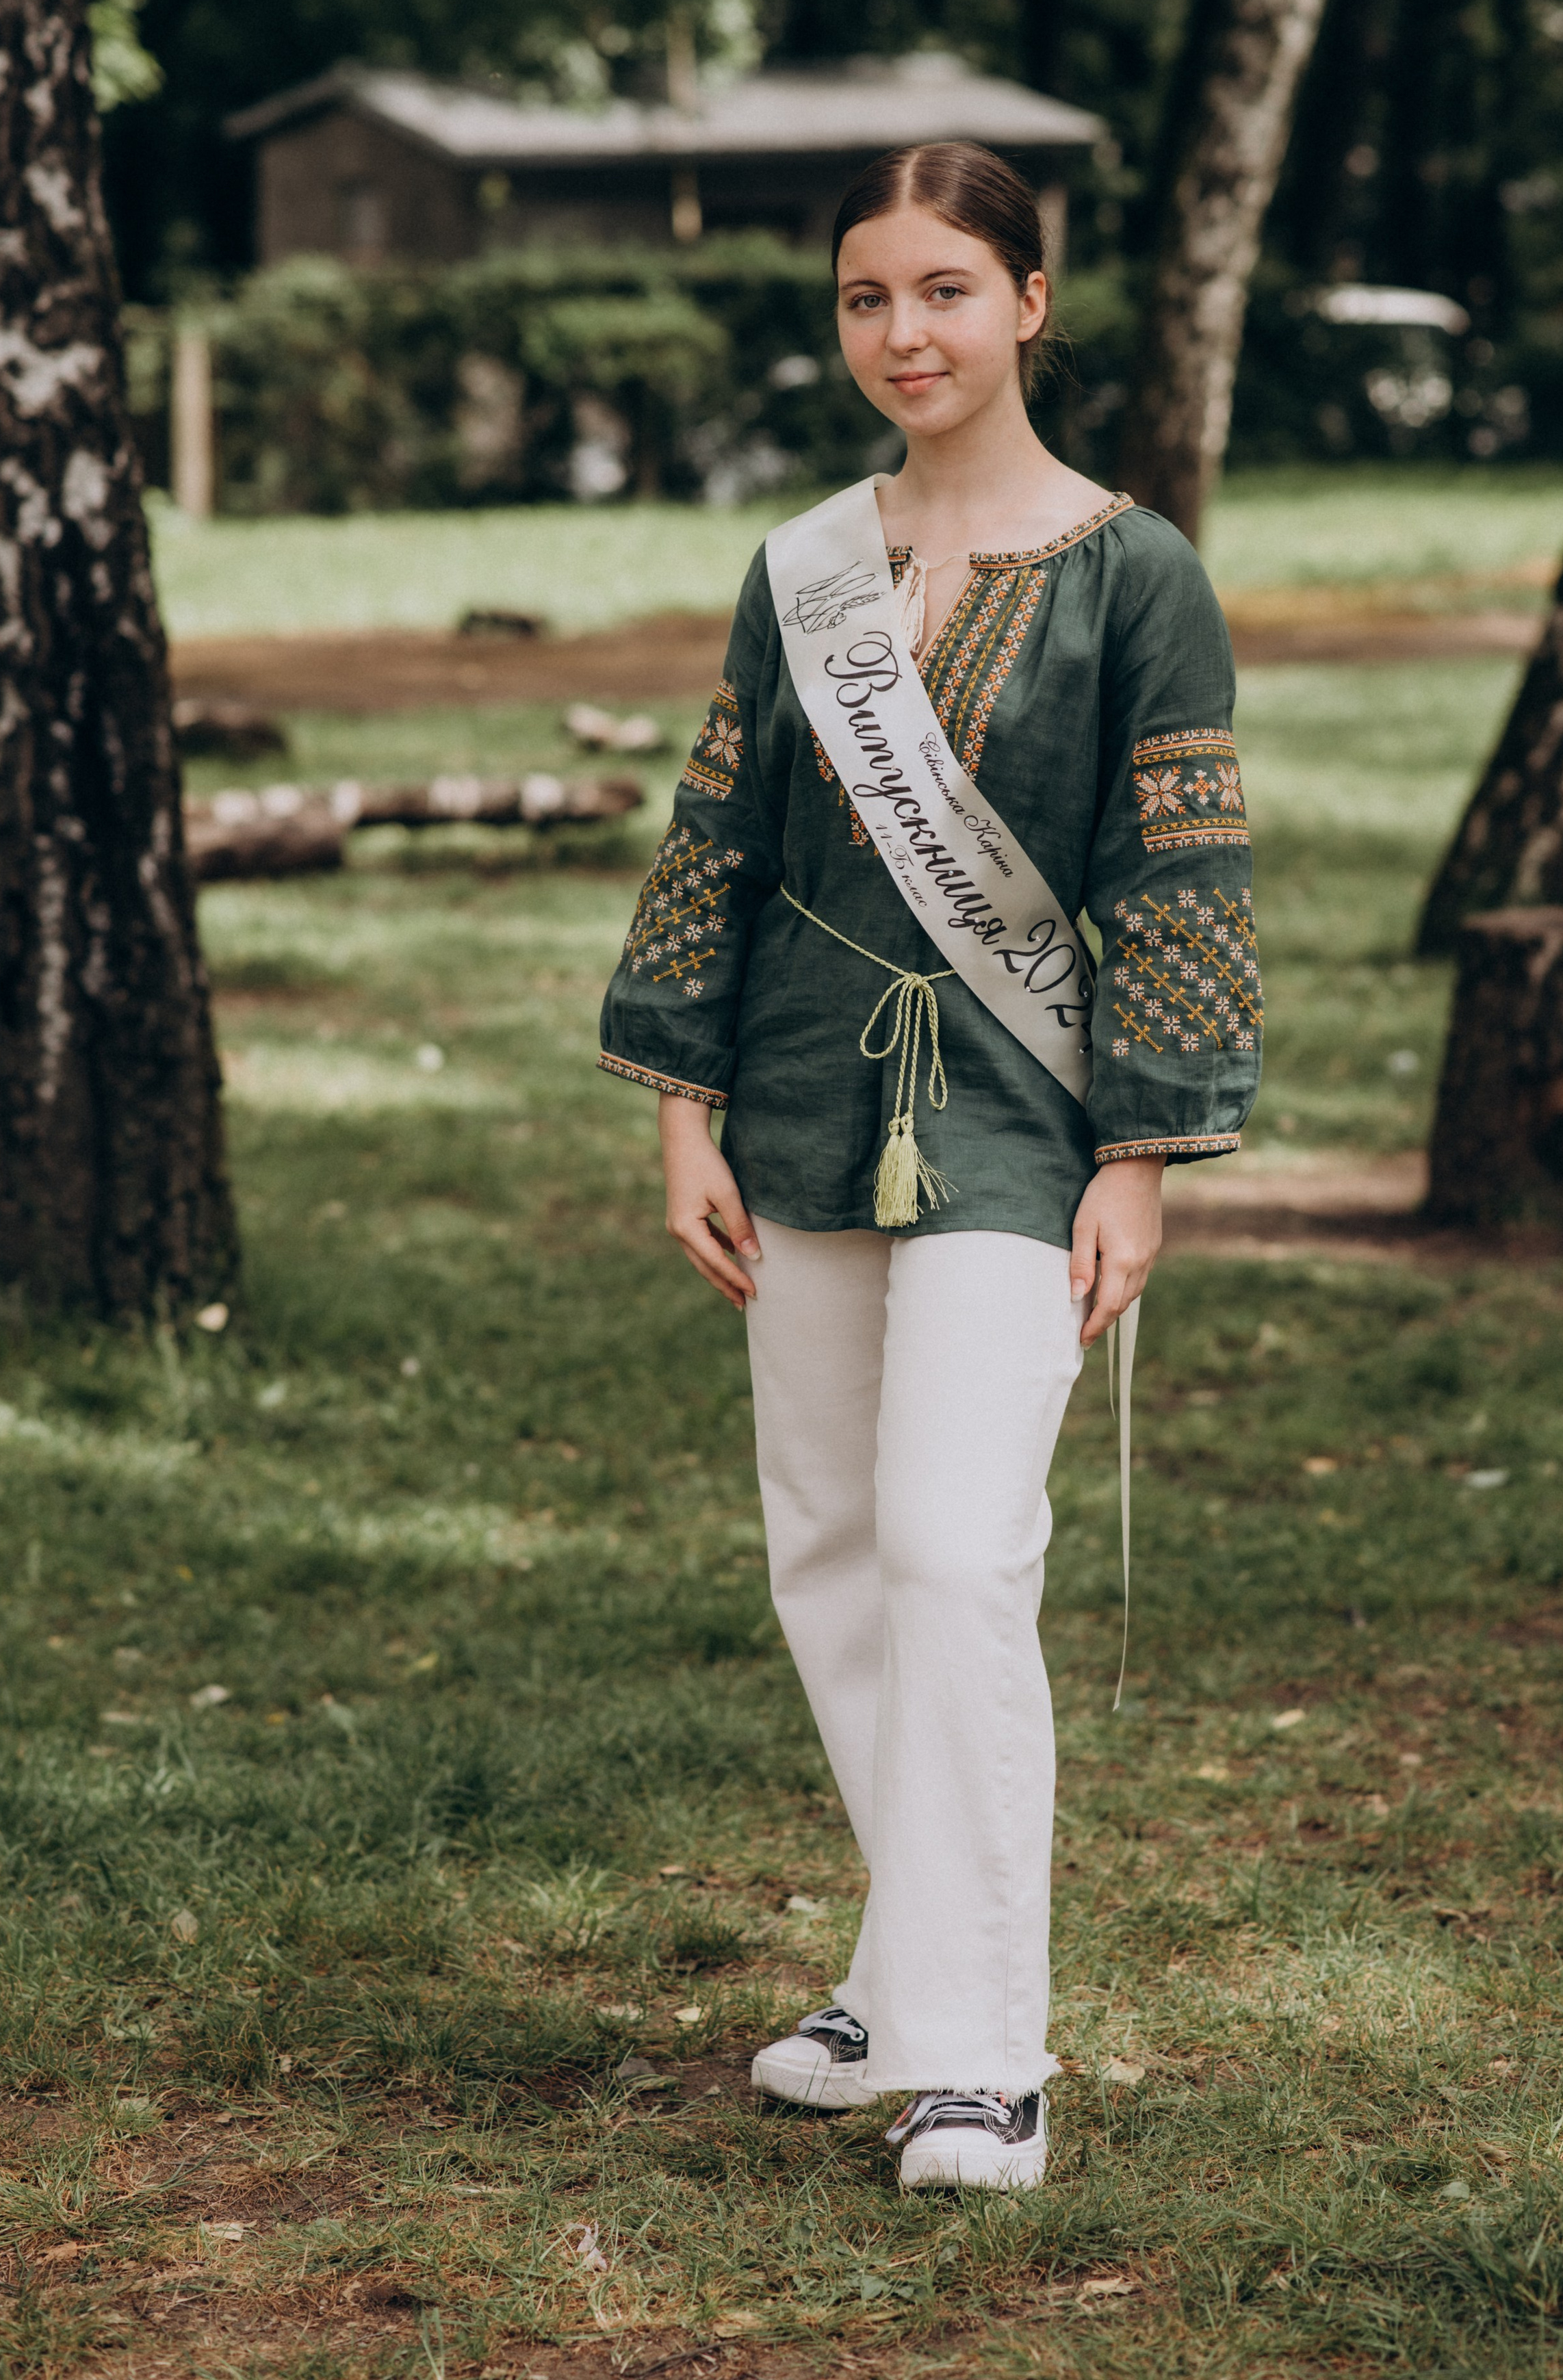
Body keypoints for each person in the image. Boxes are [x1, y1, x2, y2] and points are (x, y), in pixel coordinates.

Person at [599, 140, 1261, 2190]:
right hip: (799, 1099)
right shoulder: (803, 565)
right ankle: (904, 1965)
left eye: (949, 290)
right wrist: (683, 1105)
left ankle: (987, 2054)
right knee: (831, 1554)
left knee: (958, 1548)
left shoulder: (1134, 572)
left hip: (1015, 1123)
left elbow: (1182, 869)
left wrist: (1143, 1149)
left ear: (1032, 304)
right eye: (869, 297)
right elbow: (720, 833)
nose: (907, 333)